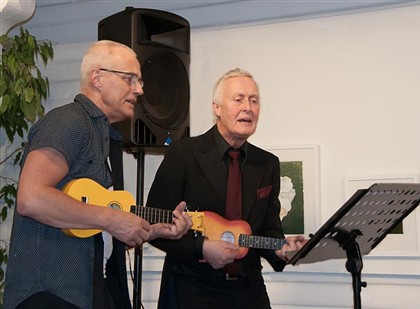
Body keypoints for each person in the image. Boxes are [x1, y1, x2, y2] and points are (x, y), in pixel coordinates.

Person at [3, 40, 193, 309]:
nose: (139, 90)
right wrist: (113, 219)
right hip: (50, 295)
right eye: (130, 79)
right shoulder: (67, 122)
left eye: (138, 81)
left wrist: (151, 231)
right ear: (97, 78)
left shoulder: (107, 138)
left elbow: (95, 229)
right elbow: (31, 198)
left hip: (91, 291)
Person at [147, 68, 308, 309]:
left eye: (254, 100)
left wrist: (282, 250)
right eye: (238, 99)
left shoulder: (268, 163)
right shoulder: (183, 154)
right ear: (217, 108)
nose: (248, 107)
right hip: (192, 290)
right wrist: (202, 247)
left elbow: (269, 230)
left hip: (249, 290)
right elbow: (152, 223)